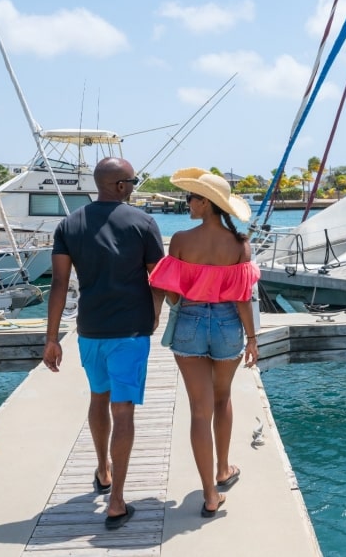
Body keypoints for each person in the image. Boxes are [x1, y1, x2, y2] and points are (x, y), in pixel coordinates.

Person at [43, 157, 165, 531]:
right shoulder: (143, 222)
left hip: (90, 331)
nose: (134, 186)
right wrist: (155, 313)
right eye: (132, 181)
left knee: (99, 397)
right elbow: (158, 277)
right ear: (118, 185)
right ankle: (116, 501)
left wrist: (51, 338)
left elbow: (59, 284)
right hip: (130, 332)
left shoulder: (69, 224)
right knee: (123, 410)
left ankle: (102, 470)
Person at [148, 167, 260, 518]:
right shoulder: (240, 243)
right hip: (228, 323)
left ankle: (210, 495)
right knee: (223, 397)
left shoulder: (181, 240)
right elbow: (243, 297)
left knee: (199, 408)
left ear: (206, 203)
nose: (187, 203)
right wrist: (252, 338)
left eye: (191, 198)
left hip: (190, 323)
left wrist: (165, 310)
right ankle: (223, 468)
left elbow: (169, 290)